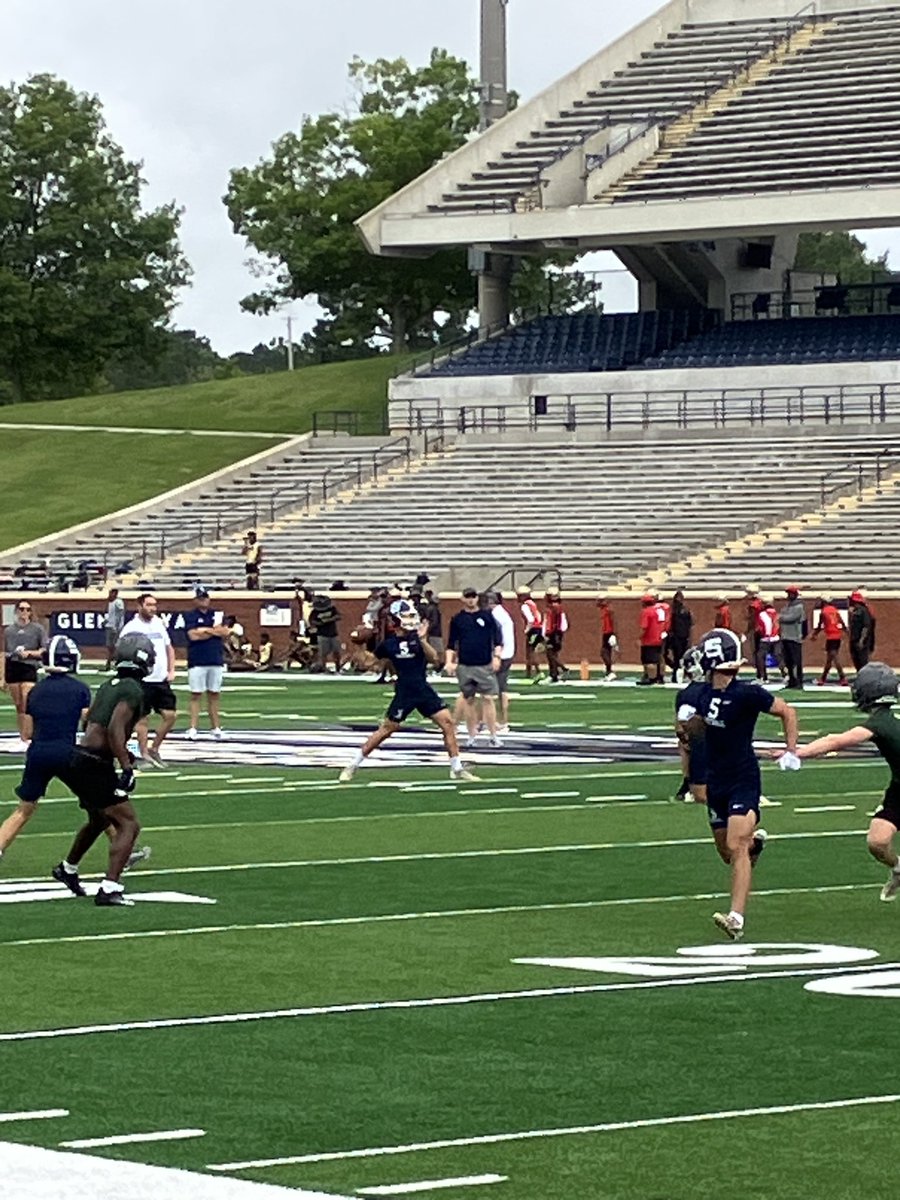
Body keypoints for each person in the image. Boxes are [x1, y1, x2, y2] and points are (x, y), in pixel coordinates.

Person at [687, 627, 799, 941]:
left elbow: (787, 711)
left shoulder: (747, 693)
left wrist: (791, 750)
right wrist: (690, 728)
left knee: (736, 846)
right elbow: (699, 729)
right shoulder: (702, 692)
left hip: (742, 777)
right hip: (716, 779)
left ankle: (736, 917)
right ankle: (756, 846)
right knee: (728, 852)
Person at [52, 632, 155, 907]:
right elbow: (114, 729)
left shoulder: (109, 684)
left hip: (80, 756)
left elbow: (90, 724)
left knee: (100, 819)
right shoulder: (133, 689)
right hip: (94, 762)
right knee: (129, 824)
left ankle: (68, 868)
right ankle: (109, 887)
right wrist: (126, 766)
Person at [792, 662, 900, 902]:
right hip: (899, 790)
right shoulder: (883, 718)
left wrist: (796, 753)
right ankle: (898, 868)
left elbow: (836, 741)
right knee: (877, 841)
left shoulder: (881, 721)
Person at [339, 600, 478, 783]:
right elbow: (368, 663)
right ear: (396, 620)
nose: (411, 619)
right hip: (405, 692)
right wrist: (359, 646)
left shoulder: (416, 640)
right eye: (406, 616)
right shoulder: (388, 644)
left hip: (422, 688)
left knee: (448, 723)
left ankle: (457, 768)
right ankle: (352, 765)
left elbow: (435, 659)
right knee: (387, 730)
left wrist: (422, 640)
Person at [0, 636, 91, 863]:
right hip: (67, 753)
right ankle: (126, 850)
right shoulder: (80, 689)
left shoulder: (36, 691)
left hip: (38, 752)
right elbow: (88, 724)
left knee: (23, 810)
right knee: (98, 805)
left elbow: (28, 732)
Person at [119, 594, 176, 766]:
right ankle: (143, 753)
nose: (153, 608)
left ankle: (154, 748)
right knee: (142, 718)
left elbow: (169, 647)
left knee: (170, 715)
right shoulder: (132, 627)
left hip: (160, 678)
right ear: (139, 606)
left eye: (154, 605)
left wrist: (171, 669)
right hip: (142, 679)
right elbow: (122, 651)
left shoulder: (159, 623)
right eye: (149, 605)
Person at [446, 586, 503, 747]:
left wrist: (497, 657)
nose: (471, 600)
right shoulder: (458, 619)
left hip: (484, 663)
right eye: (468, 597)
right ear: (463, 599)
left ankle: (493, 735)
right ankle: (472, 735)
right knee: (469, 699)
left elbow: (497, 639)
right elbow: (451, 643)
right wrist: (449, 661)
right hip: (465, 664)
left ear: (477, 598)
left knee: (488, 697)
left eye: (473, 596)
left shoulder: (487, 616)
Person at [183, 588, 228, 739]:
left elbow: (225, 632)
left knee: (214, 694)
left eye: (205, 598)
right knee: (196, 694)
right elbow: (193, 636)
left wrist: (204, 631)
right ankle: (193, 727)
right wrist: (212, 631)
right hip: (197, 659)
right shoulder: (190, 615)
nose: (204, 601)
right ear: (195, 600)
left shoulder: (216, 614)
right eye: (200, 598)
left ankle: (215, 727)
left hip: (215, 658)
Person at [2, 600, 47, 749]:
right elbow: (4, 653)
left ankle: (30, 734)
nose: (24, 612)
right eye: (21, 609)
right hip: (12, 666)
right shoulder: (9, 630)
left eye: (27, 609)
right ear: (16, 611)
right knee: (18, 705)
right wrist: (2, 677)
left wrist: (29, 653)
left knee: (27, 700)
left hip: (29, 666)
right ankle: (22, 735)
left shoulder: (37, 629)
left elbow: (43, 649)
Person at [673, 646, 707, 804]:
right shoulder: (713, 691)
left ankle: (687, 781)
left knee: (684, 743)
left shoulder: (684, 694)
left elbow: (680, 726)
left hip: (694, 739)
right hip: (713, 742)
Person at [486, 590, 515, 734]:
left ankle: (498, 721)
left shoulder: (496, 615)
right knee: (501, 689)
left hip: (500, 655)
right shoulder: (503, 613)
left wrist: (494, 655)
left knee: (490, 689)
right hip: (507, 653)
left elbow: (496, 638)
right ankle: (500, 721)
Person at [812, 595, 848, 686]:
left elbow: (820, 625)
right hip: (837, 636)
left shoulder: (823, 612)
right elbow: (842, 623)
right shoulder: (835, 610)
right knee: (830, 659)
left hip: (831, 637)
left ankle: (842, 678)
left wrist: (814, 635)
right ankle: (823, 678)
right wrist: (847, 633)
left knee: (834, 658)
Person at [779, 586, 806, 690]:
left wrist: (780, 617)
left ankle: (798, 681)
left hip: (794, 637)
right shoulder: (788, 606)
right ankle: (792, 680)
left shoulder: (799, 607)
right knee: (788, 661)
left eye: (790, 594)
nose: (788, 596)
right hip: (786, 636)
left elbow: (790, 618)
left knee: (796, 661)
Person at [517, 585, 545, 680]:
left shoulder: (525, 606)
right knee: (530, 651)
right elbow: (539, 616)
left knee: (530, 652)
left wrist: (527, 629)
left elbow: (531, 619)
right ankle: (529, 673)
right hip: (538, 629)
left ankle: (538, 672)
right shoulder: (532, 604)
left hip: (533, 629)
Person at [637, 593, 666, 686]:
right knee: (659, 658)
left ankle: (651, 678)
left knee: (649, 660)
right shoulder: (658, 610)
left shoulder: (646, 612)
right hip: (659, 637)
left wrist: (639, 637)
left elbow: (644, 627)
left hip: (649, 639)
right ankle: (660, 677)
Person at [310, 593, 342, 673]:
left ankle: (338, 668)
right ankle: (323, 669)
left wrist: (329, 620)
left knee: (337, 652)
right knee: (323, 653)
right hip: (322, 634)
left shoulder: (332, 609)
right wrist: (320, 623)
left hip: (333, 634)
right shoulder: (315, 612)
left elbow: (338, 616)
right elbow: (312, 621)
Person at [543, 587, 569, 684]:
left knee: (551, 654)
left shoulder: (554, 607)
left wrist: (548, 633)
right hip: (555, 632)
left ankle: (560, 670)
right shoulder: (556, 607)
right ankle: (554, 674)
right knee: (552, 654)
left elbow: (552, 622)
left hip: (554, 633)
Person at [667, 590, 693, 683]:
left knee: (681, 657)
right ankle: (678, 672)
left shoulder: (682, 611)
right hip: (677, 636)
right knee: (677, 657)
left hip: (680, 636)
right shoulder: (674, 610)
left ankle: (681, 674)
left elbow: (690, 625)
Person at [755, 598, 783, 683]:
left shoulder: (761, 614)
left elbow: (759, 628)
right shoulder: (777, 614)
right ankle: (785, 674)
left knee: (760, 657)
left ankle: (763, 677)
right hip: (776, 638)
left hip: (765, 639)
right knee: (778, 656)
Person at [848, 590, 875, 673]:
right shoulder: (855, 612)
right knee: (856, 660)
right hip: (854, 639)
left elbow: (866, 627)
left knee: (862, 661)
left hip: (861, 641)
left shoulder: (863, 611)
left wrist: (861, 640)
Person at [744, 585, 765, 679]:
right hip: (763, 629)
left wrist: (748, 630)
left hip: (757, 629)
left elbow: (752, 619)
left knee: (757, 653)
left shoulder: (753, 605)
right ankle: (762, 674)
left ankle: (760, 674)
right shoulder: (761, 603)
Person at [102, 587, 125, 671]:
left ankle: (111, 662)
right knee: (109, 645)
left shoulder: (118, 602)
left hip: (115, 627)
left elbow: (119, 615)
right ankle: (111, 661)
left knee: (115, 645)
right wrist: (105, 621)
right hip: (109, 625)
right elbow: (110, 615)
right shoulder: (110, 603)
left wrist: (117, 626)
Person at [597, 595, 617, 681]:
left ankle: (610, 671)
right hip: (606, 633)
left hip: (609, 633)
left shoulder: (609, 610)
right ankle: (608, 670)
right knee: (606, 653)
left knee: (604, 652)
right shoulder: (603, 610)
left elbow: (614, 622)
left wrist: (613, 634)